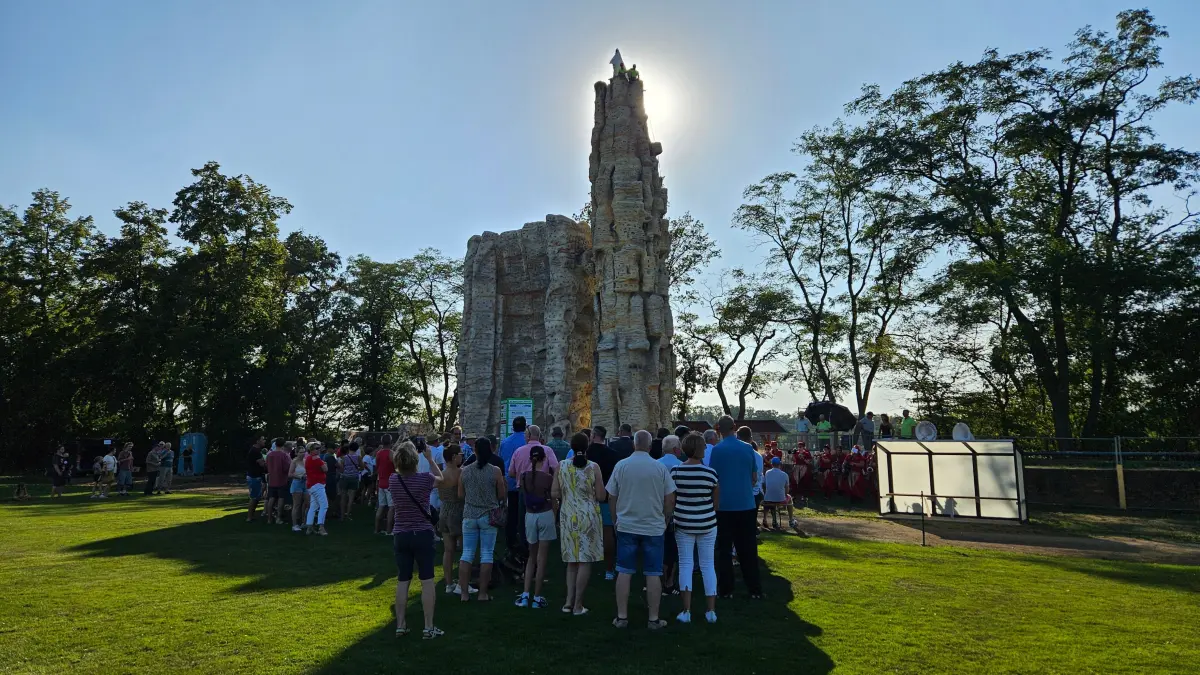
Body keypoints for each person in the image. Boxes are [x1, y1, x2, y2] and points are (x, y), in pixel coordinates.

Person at [606, 429, 676, 630]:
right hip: (653, 526)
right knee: (653, 573)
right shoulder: (659, 468)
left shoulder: (622, 466)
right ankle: (653, 618)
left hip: (627, 524)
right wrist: (665, 518)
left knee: (624, 571)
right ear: (650, 444)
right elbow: (670, 497)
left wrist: (615, 519)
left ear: (634, 444)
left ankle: (621, 617)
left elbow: (612, 496)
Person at [388, 440, 445, 639]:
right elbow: (441, 478)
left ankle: (401, 625)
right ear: (415, 459)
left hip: (401, 534)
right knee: (427, 581)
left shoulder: (393, 480)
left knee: (403, 580)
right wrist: (430, 458)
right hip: (422, 533)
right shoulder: (424, 479)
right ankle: (428, 627)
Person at [708, 415, 762, 599]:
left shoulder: (717, 450)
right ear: (734, 427)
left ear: (718, 430)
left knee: (724, 549)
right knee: (747, 547)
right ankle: (754, 588)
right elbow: (754, 477)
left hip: (724, 505)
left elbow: (714, 478)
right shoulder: (748, 449)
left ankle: (726, 589)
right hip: (745, 504)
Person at [670, 432, 720, 624]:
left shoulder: (675, 471)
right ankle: (711, 611)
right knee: (708, 565)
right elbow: (716, 503)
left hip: (683, 523)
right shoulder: (711, 473)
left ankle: (686, 610)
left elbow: (672, 498)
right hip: (707, 523)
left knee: (685, 565)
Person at [553, 432, 604, 615]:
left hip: (568, 515)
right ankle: (578, 604)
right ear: (587, 446)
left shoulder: (562, 466)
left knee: (572, 561)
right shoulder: (593, 467)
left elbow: (554, 493)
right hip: (588, 515)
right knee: (585, 560)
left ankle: (568, 602)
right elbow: (600, 495)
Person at [568, 426, 620, 580]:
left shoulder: (585, 454)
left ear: (594, 436)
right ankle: (609, 569)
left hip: (585, 499)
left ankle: (582, 565)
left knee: (583, 534)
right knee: (608, 532)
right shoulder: (614, 455)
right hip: (606, 498)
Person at [458, 437, 506, 602]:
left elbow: (460, 494)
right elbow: (501, 494)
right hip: (488, 515)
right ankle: (483, 593)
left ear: (475, 451)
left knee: (467, 554)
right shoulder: (495, 471)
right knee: (487, 554)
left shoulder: (465, 471)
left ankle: (464, 593)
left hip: (470, 514)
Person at [516, 445, 556, 609]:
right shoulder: (548, 478)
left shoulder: (524, 476)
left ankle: (525, 594)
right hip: (545, 514)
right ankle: (537, 597)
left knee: (531, 556)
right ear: (544, 458)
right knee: (542, 557)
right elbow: (554, 499)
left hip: (530, 515)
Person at [437, 444, 474, 596]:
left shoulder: (441, 474)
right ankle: (462, 583)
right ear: (453, 457)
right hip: (459, 511)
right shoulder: (462, 473)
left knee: (448, 550)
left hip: (444, 511)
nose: (462, 456)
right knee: (465, 550)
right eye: (460, 454)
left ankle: (448, 583)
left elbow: (439, 495)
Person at [499, 416, 528, 556]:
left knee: (511, 513)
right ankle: (524, 541)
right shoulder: (527, 442)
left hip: (509, 483)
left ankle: (510, 541)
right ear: (525, 426)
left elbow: (502, 461)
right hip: (525, 483)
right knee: (524, 513)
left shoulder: (505, 442)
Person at [762, 457, 803, 533]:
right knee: (789, 497)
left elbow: (765, 485)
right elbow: (787, 490)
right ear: (780, 464)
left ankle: (765, 519)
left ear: (772, 464)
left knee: (768, 498)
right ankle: (791, 520)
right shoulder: (785, 475)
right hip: (780, 499)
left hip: (767, 499)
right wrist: (783, 494)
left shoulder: (767, 473)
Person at [303, 442, 330, 535]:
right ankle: (321, 527)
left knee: (313, 506)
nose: (318, 450)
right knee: (324, 505)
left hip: (311, 485)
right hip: (317, 485)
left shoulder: (308, 458)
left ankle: (309, 527)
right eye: (316, 448)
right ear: (311, 450)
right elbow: (325, 469)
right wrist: (324, 463)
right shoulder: (317, 458)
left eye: (319, 448)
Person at [264, 439, 291, 525]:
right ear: (283, 445)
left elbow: (266, 466)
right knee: (281, 498)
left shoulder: (269, 454)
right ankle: (278, 518)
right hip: (282, 479)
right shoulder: (284, 455)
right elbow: (287, 468)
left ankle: (269, 518)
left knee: (271, 498)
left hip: (272, 479)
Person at [375, 435, 396, 535]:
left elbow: (377, 466)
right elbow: (397, 467)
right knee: (391, 507)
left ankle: (376, 529)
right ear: (391, 442)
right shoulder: (391, 453)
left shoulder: (378, 453)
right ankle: (389, 530)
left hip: (381, 482)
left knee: (381, 506)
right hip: (390, 483)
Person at [339, 443, 362, 521]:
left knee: (343, 497)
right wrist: (357, 469)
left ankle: (342, 516)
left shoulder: (344, 458)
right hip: (354, 478)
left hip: (345, 477)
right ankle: (347, 515)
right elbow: (362, 467)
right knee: (351, 497)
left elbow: (341, 469)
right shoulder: (358, 457)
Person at [288, 446, 309, 532]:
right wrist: (300, 477)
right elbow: (290, 474)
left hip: (306, 484)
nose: (303, 454)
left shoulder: (305, 461)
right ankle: (294, 524)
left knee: (307, 503)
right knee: (297, 504)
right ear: (297, 453)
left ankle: (304, 522)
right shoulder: (294, 461)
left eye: (304, 452)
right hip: (297, 484)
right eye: (300, 452)